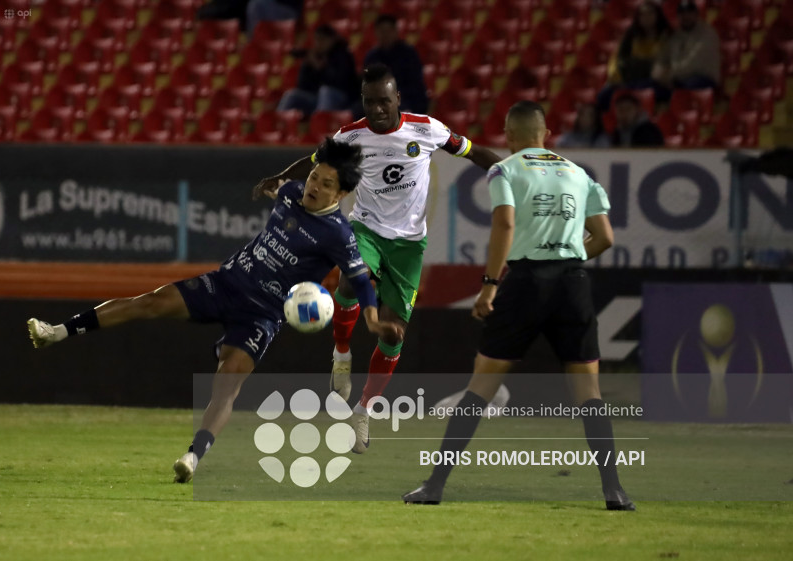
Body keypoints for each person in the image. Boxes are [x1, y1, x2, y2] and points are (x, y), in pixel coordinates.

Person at [26, 138, 402, 484]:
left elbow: (360, 279)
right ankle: (55, 332)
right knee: (150, 302)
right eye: (314, 178)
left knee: (227, 382)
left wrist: (371, 319)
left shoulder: (339, 235)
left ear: (343, 193)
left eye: (325, 184)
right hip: (226, 284)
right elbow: (281, 187)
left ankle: (193, 457)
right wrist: (273, 185)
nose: (314, 187)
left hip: (262, 315)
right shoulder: (290, 193)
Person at [254, 63, 501, 454]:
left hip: (408, 246)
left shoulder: (427, 128)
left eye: (384, 102)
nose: (378, 109)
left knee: (393, 336)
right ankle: (341, 352)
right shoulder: (351, 135)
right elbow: (315, 162)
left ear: (398, 98)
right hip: (365, 229)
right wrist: (279, 176)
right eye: (370, 102)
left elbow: (472, 152)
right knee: (354, 279)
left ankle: (364, 409)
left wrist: (506, 170)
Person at [402, 101, 635, 511]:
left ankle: (435, 485)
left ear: (508, 137)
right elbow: (606, 237)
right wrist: (568, 253)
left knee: (480, 387)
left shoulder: (505, 169)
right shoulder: (580, 175)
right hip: (573, 285)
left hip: (525, 284)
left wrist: (490, 286)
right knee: (589, 393)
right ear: (545, 134)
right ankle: (614, 490)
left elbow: (505, 224)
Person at [597, 0, 672, 112]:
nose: (646, 17)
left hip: (657, 83)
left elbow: (661, 67)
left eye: (650, 13)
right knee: (604, 95)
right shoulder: (630, 37)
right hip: (631, 81)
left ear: (658, 15)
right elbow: (620, 62)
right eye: (642, 14)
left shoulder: (668, 37)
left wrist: (639, 65)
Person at [277, 24, 360, 117]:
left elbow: (340, 82)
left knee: (325, 91)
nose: (318, 43)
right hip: (317, 98)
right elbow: (302, 86)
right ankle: (279, 123)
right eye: (316, 39)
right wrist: (307, 66)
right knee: (291, 95)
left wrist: (321, 68)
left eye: (322, 39)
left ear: (332, 40)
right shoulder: (316, 55)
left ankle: (320, 125)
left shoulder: (343, 55)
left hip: (342, 97)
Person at [363, 14, 429, 114]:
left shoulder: (408, 53)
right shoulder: (372, 56)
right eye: (382, 31)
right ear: (376, 33)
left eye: (388, 31)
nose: (385, 34)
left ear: (396, 31)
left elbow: (415, 84)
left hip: (406, 98)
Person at [652, 0, 720, 92]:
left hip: (703, 79)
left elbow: (694, 64)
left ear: (696, 15)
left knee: (685, 89)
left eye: (689, 13)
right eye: (682, 13)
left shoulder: (707, 33)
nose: (686, 16)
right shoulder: (676, 35)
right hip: (677, 79)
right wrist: (657, 74)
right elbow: (662, 58)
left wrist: (669, 76)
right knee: (647, 87)